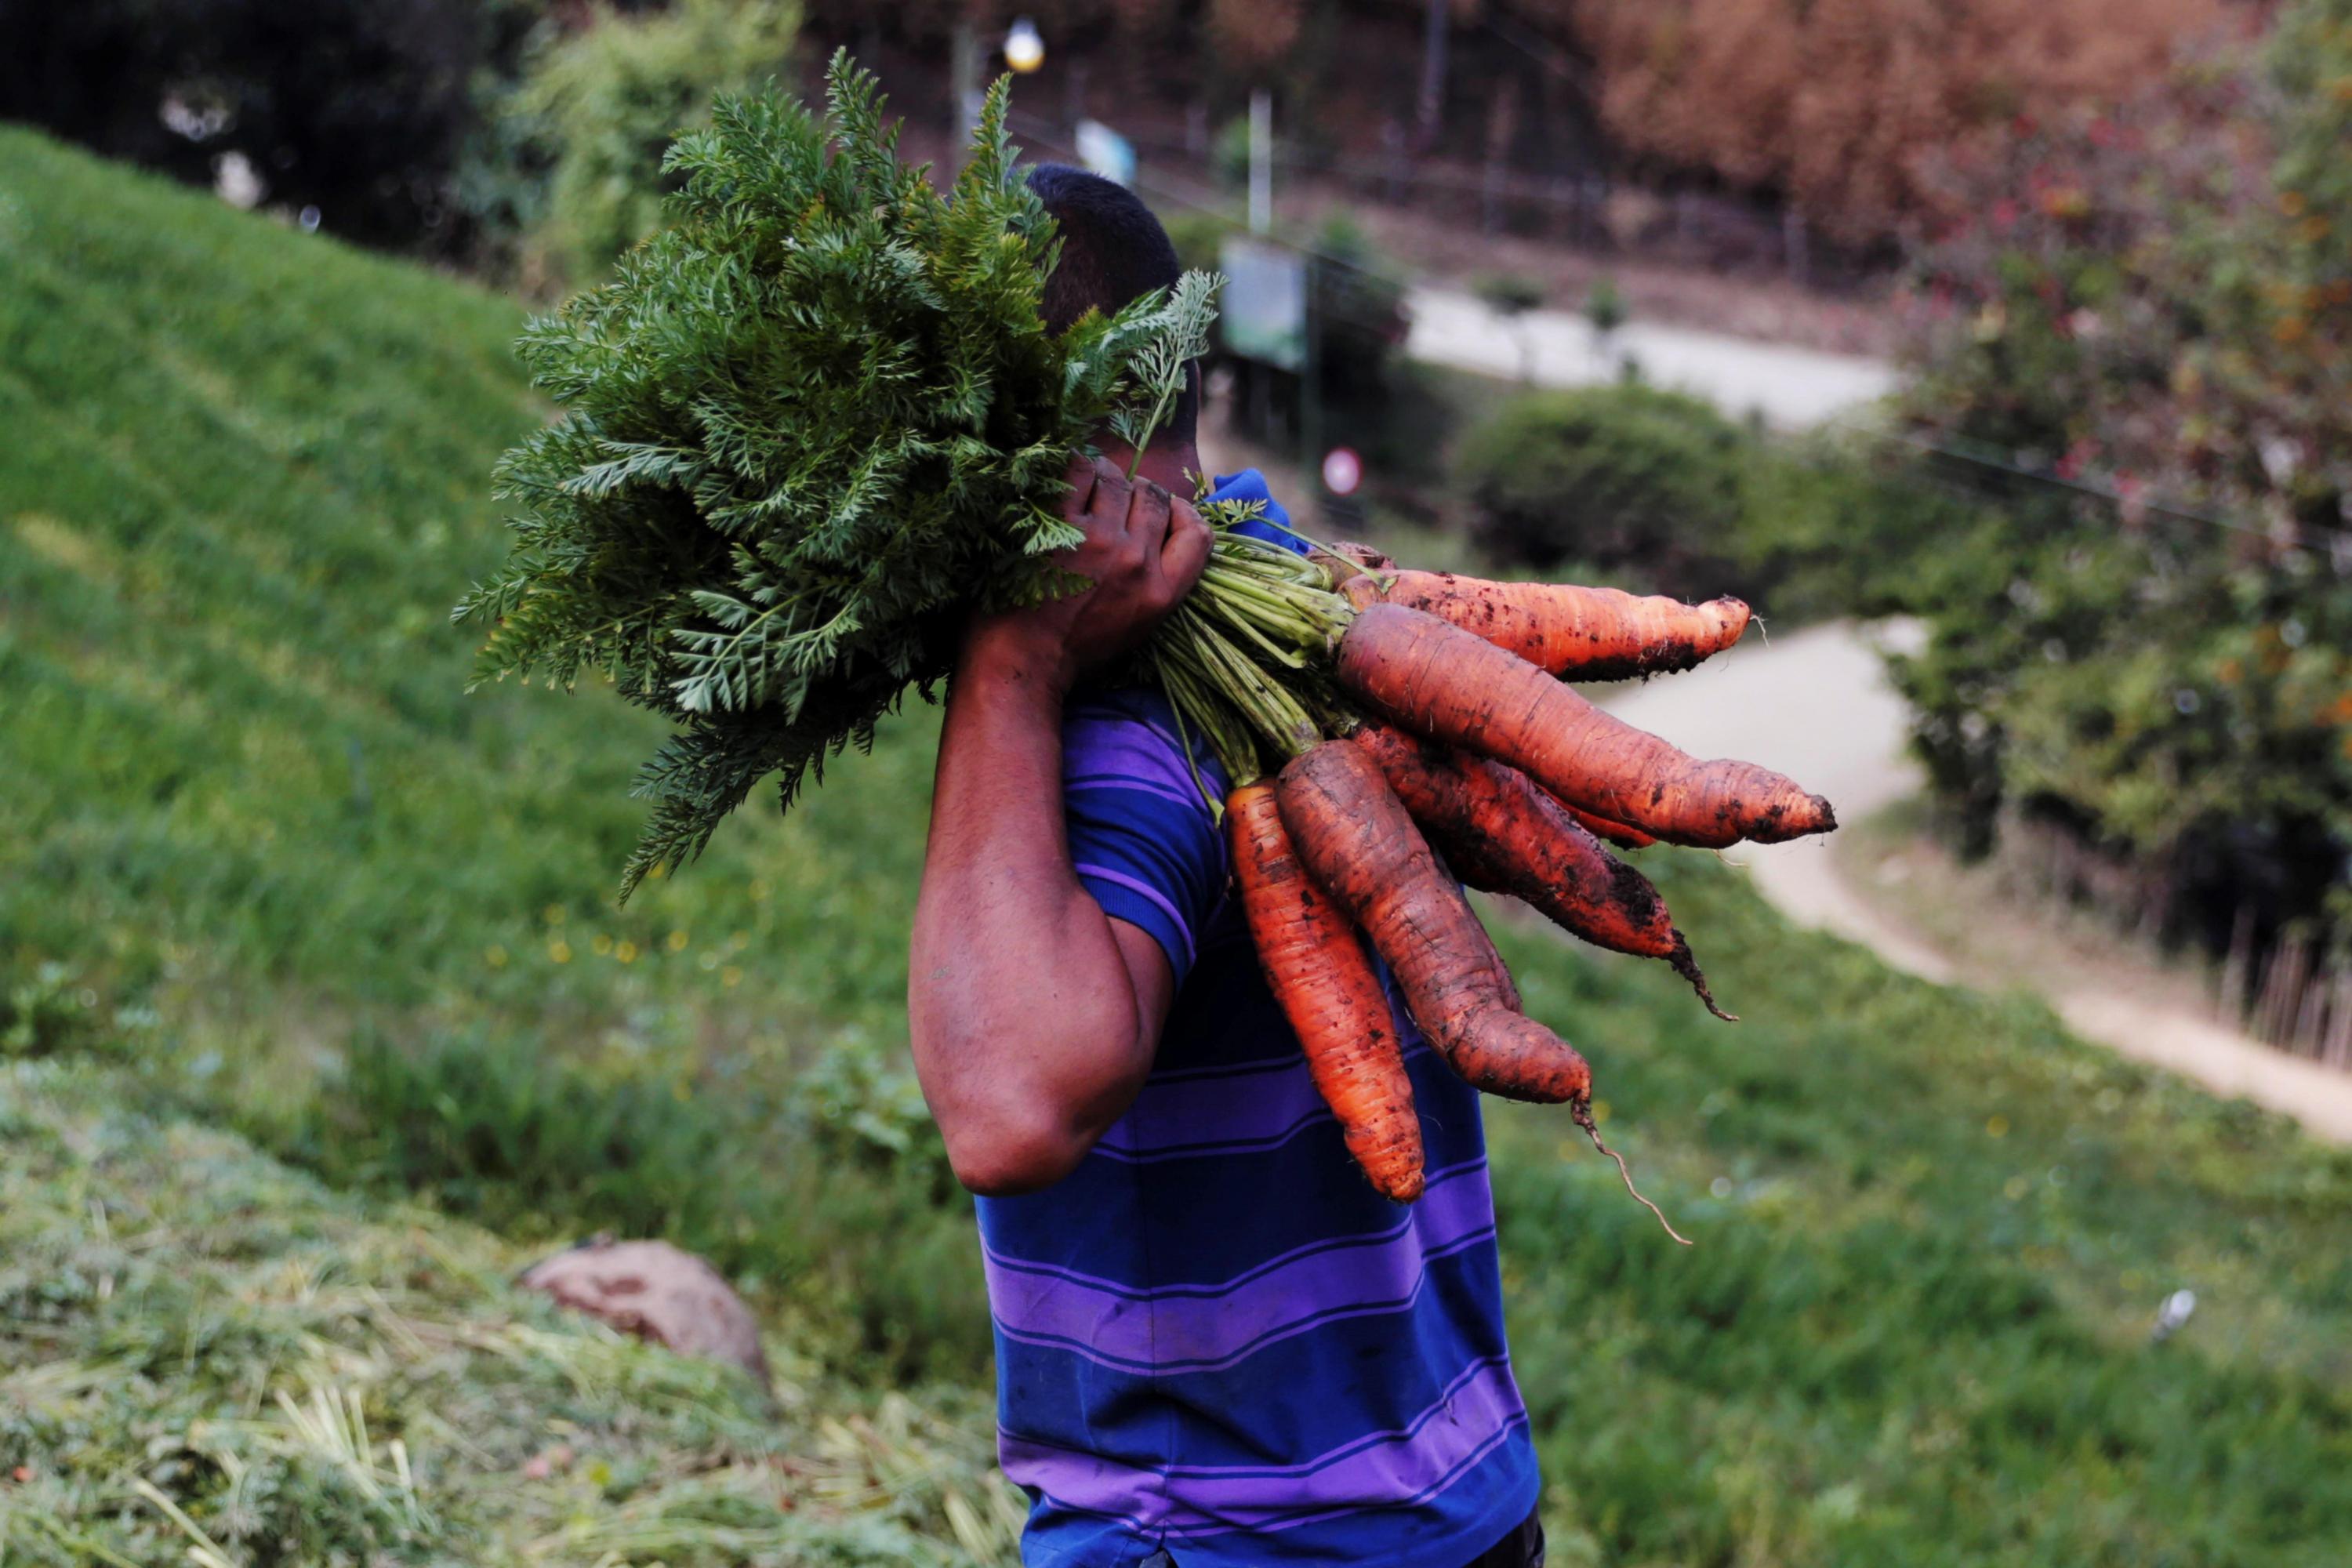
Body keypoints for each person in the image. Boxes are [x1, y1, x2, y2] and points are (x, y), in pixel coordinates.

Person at [908, 165, 1544, 1568]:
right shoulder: (1311, 624)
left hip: (1234, 1542)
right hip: (1462, 1505)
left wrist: (1010, 660)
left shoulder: (1136, 723)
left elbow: (1010, 1110)